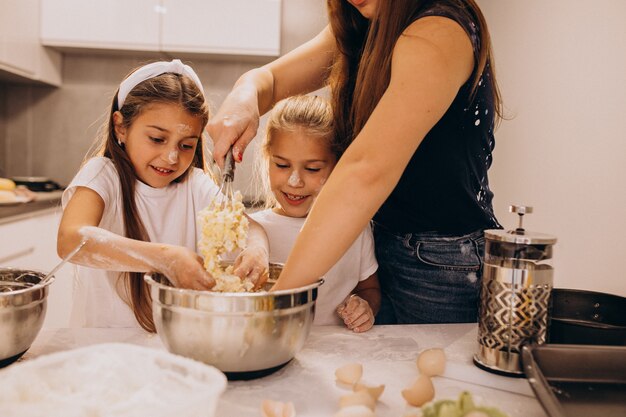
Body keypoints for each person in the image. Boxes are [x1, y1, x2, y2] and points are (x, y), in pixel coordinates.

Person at [207, 0, 503, 324]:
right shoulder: (363, 23)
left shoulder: (439, 32)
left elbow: (365, 173)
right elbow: (270, 80)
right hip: (383, 236)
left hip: (439, 264)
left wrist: (272, 310)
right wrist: (244, 97)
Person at [57, 59, 269, 332]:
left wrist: (257, 249)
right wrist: (164, 258)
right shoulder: (102, 176)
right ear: (121, 127)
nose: (171, 157)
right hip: (105, 347)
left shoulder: (194, 184)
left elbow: (251, 228)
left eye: (186, 145)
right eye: (157, 139)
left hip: (175, 343)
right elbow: (71, 240)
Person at [251, 95, 380, 332]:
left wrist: (364, 307)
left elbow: (369, 289)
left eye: (312, 169)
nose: (294, 181)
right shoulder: (252, 234)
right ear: (267, 158)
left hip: (336, 356)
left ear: (338, 165)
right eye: (281, 165)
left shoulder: (354, 228)